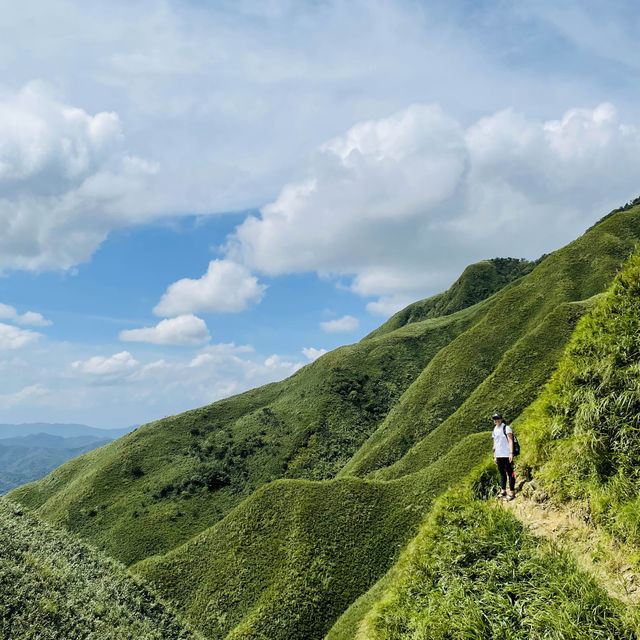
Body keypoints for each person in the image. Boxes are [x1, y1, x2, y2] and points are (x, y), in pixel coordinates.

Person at [492, 412, 515, 500]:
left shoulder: (506, 428)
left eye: (498, 419)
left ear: (501, 419)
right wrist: (495, 456)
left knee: (510, 473)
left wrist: (511, 453)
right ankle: (503, 490)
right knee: (502, 473)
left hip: (506, 454)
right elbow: (495, 443)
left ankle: (512, 491)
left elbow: (510, 441)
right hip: (499, 455)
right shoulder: (494, 429)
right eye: (495, 419)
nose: (496, 420)